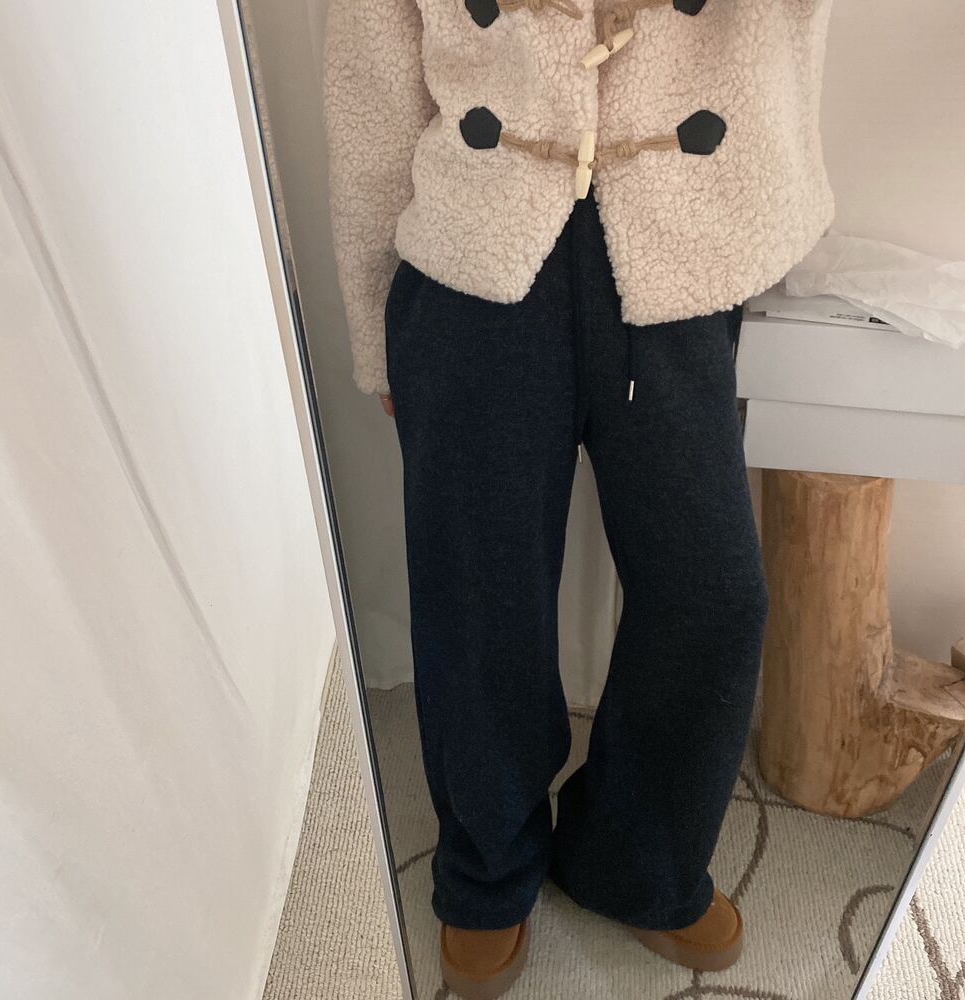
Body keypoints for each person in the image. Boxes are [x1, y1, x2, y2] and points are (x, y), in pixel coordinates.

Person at [322, 0, 835, 995]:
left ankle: (635, 859)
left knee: (713, 596)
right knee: (480, 597)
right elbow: (370, 94)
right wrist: (373, 319)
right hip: (475, 255)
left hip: (675, 249)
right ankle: (486, 868)